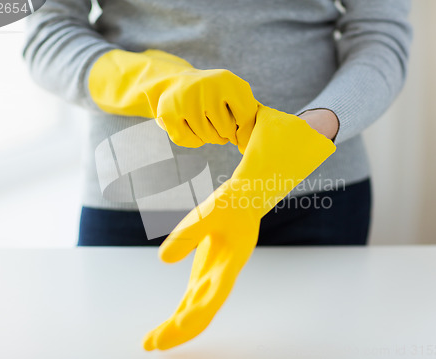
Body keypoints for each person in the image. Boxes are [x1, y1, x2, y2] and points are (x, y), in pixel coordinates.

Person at [23, 0, 412, 350]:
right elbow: (45, 34)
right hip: (141, 182)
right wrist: (155, 84)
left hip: (311, 185)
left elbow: (380, 33)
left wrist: (305, 137)